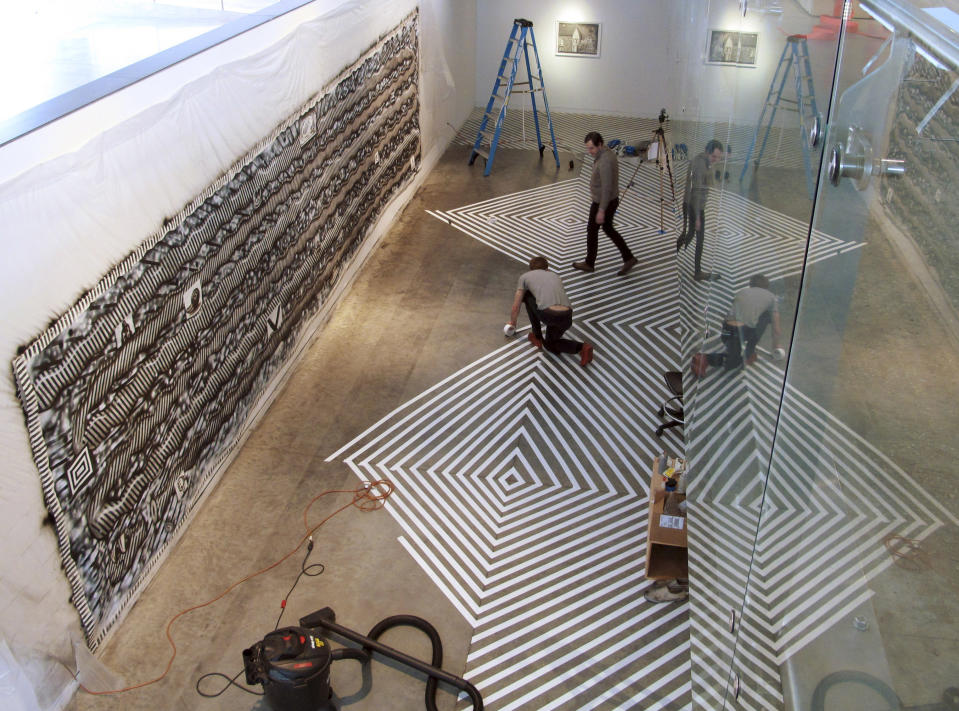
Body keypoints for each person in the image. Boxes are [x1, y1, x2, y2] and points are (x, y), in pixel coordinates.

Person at [572, 132, 638, 277]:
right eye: (588, 148)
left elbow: (607, 187)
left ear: (600, 144)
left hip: (604, 201)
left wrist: (601, 210)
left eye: (592, 149)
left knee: (593, 230)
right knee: (607, 229)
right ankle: (628, 257)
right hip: (607, 200)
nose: (589, 152)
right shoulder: (605, 153)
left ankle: (590, 263)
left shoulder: (605, 161)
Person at [508, 256, 594, 367]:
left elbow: (516, 306)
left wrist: (512, 323)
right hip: (567, 316)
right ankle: (583, 348)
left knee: (527, 295)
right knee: (550, 344)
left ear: (531, 269)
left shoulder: (525, 277)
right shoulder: (555, 275)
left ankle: (537, 336)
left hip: (548, 315)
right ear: (547, 269)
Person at [702, 275, 783, 371]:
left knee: (735, 351)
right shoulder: (771, 297)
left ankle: (746, 352)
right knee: (734, 362)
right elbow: (776, 329)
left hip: (726, 332)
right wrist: (776, 346)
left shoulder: (741, 292)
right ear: (767, 286)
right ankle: (706, 359)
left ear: (750, 285)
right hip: (742, 332)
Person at [677, 139, 724, 281]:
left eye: (718, 157)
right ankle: (697, 272)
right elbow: (696, 191)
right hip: (694, 206)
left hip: (691, 204)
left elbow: (705, 185)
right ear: (707, 152)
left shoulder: (703, 161)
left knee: (690, 234)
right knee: (699, 239)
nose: (716, 160)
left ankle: (674, 254)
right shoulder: (700, 165)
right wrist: (697, 217)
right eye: (714, 156)